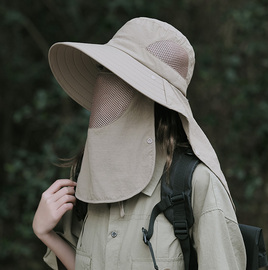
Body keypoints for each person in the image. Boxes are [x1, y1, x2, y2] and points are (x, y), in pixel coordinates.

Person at [32, 17, 246, 270]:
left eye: (118, 76)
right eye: (105, 71)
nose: (105, 85)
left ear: (151, 98)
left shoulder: (194, 183)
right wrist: (46, 234)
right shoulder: (87, 177)